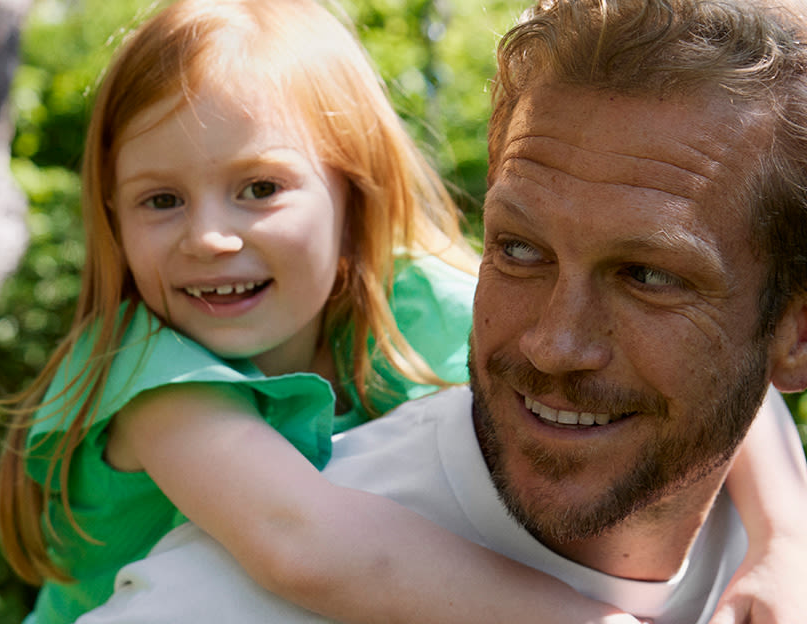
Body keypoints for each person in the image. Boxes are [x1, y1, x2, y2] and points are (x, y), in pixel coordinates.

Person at [68, 1, 807, 623]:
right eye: (519, 249)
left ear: (353, 194)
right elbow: (308, 544)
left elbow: (746, 387)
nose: (210, 237)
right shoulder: (144, 366)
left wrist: (785, 539)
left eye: (646, 274)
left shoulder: (414, 300)